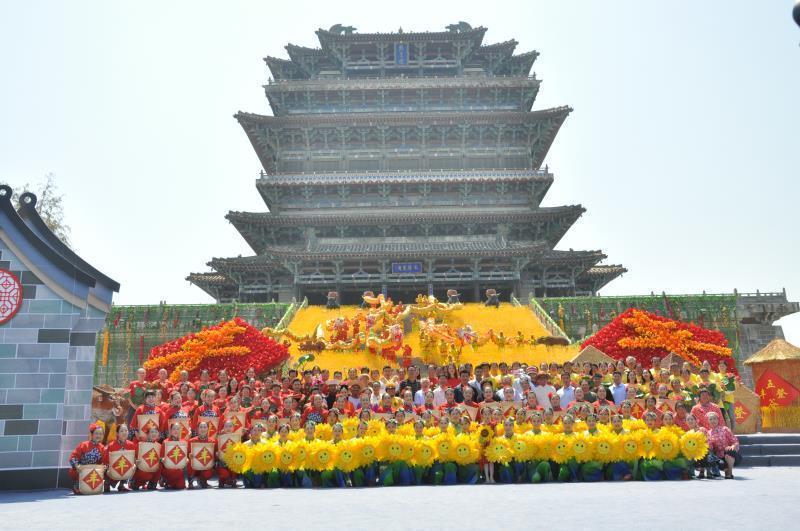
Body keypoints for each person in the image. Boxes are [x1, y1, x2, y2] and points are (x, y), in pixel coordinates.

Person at [68, 423, 107, 494]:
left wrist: (104, 467)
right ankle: (77, 485)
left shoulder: (102, 448)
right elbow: (73, 457)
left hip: (93, 473)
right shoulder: (84, 445)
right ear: (92, 434)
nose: (98, 435)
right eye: (96, 433)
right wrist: (77, 466)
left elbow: (104, 462)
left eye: (101, 434)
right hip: (81, 471)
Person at [706, 411, 739, 479]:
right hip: (719, 457)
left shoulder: (725, 429)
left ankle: (729, 473)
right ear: (708, 421)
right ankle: (726, 471)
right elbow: (710, 448)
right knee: (711, 458)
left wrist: (732, 446)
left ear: (718, 420)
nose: (713, 421)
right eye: (710, 419)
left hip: (730, 453)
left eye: (714, 418)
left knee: (729, 452)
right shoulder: (708, 433)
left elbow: (735, 441)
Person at [104, 423, 135, 492]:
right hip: (113, 468)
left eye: (126, 430)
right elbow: (106, 460)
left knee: (133, 466)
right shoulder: (111, 445)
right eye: (122, 431)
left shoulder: (131, 445)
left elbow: (132, 459)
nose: (124, 432)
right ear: (117, 433)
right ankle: (107, 483)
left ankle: (122, 484)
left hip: (124, 467)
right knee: (107, 468)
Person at [187, 421, 216, 489]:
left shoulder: (213, 441)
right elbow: (187, 455)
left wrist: (217, 455)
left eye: (205, 427)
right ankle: (190, 481)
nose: (203, 429)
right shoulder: (191, 441)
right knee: (189, 462)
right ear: (197, 429)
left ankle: (202, 480)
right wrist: (189, 456)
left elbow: (214, 455)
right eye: (201, 427)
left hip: (206, 466)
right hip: (195, 467)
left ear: (208, 429)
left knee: (210, 470)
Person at [131, 426, 161, 490]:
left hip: (153, 468)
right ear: (148, 434)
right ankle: (135, 482)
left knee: (160, 466)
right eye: (152, 432)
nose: (154, 434)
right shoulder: (140, 445)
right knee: (146, 474)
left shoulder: (159, 446)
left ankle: (153, 483)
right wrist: (135, 461)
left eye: (156, 432)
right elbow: (133, 457)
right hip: (141, 470)